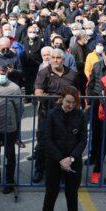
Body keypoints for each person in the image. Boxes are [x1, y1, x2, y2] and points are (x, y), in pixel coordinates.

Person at [33, 48, 77, 183]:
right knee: (42, 143)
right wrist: (56, 99)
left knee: (64, 143)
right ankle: (39, 170)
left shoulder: (73, 74)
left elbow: (77, 93)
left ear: (63, 60)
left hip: (67, 114)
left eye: (58, 58)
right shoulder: (43, 73)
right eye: (53, 57)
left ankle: (63, 170)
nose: (55, 60)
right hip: (46, 113)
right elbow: (38, 93)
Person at [42, 86, 87, 211]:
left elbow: (83, 140)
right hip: (54, 160)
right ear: (61, 99)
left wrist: (71, 158)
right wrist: (61, 159)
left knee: (72, 194)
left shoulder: (81, 115)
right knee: (51, 193)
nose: (70, 105)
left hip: (74, 161)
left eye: (74, 103)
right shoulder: (52, 114)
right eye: (68, 101)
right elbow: (47, 139)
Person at [0, 65, 23, 193]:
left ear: (6, 73)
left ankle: (9, 181)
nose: (0, 75)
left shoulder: (14, 87)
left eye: (2, 72)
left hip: (9, 127)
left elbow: (19, 108)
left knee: (9, 155)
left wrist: (15, 123)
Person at [85, 45, 106, 165]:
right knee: (96, 131)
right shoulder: (97, 66)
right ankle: (94, 156)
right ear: (102, 55)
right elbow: (90, 85)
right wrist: (90, 100)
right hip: (97, 103)